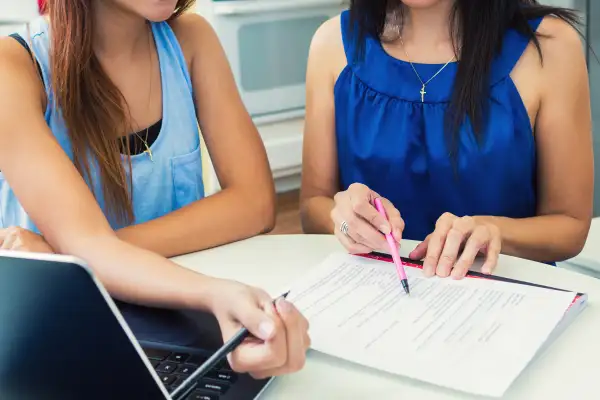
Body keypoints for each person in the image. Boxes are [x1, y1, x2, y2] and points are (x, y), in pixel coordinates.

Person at [0, 0, 309, 378]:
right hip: (54, 333)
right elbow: (87, 245)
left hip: (176, 321)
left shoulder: (191, 40)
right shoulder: (14, 66)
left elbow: (255, 202)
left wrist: (82, 256)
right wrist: (215, 293)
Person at [300, 0, 593, 279]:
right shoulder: (332, 43)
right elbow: (313, 206)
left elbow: (569, 226)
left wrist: (492, 231)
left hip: (503, 301)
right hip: (376, 297)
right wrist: (343, 218)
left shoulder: (550, 47)